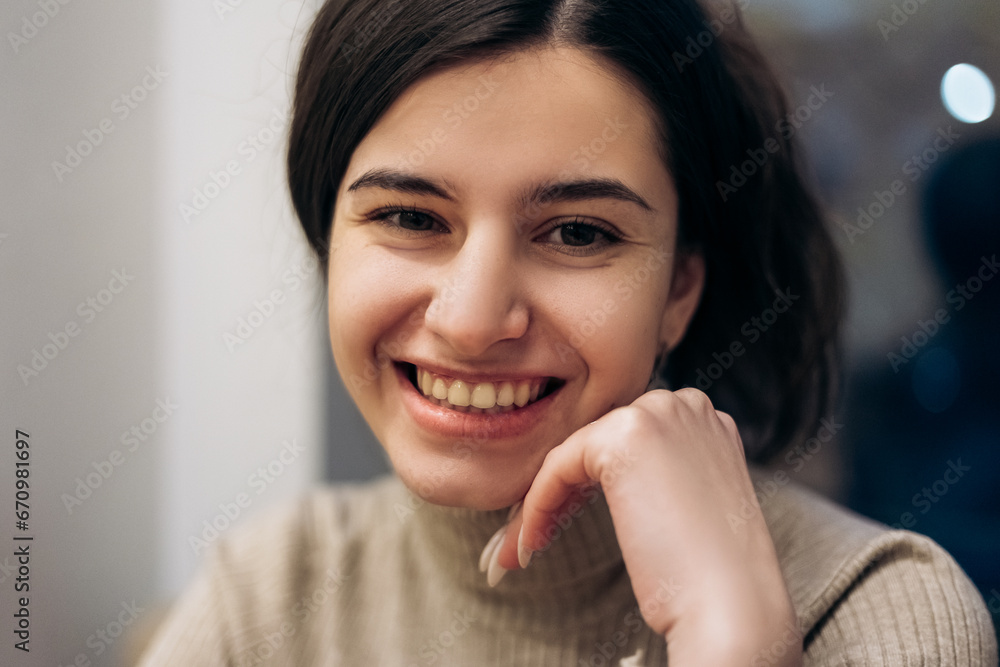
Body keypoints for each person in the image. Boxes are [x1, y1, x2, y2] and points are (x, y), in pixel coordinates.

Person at [139, 0, 997, 664]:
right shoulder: (264, 594)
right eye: (409, 215)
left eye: (578, 232)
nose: (473, 322)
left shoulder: (883, 611)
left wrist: (730, 635)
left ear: (678, 289)